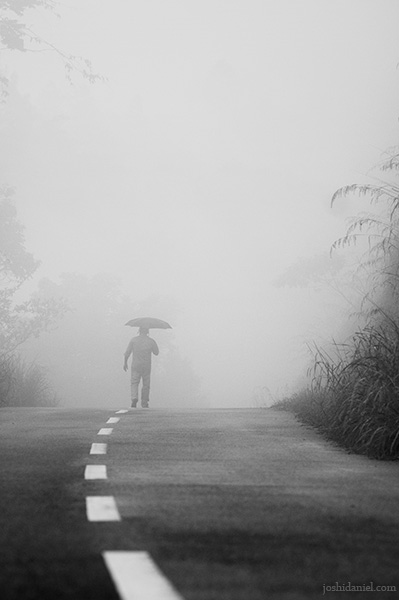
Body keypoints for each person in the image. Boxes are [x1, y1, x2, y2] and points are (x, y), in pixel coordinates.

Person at [123, 327, 159, 408]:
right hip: (146, 365)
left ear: (139, 331)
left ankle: (134, 398)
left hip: (136, 365)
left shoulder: (134, 340)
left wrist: (125, 362)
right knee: (146, 384)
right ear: (147, 331)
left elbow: (127, 352)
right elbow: (156, 352)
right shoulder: (151, 341)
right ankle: (144, 402)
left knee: (134, 382)